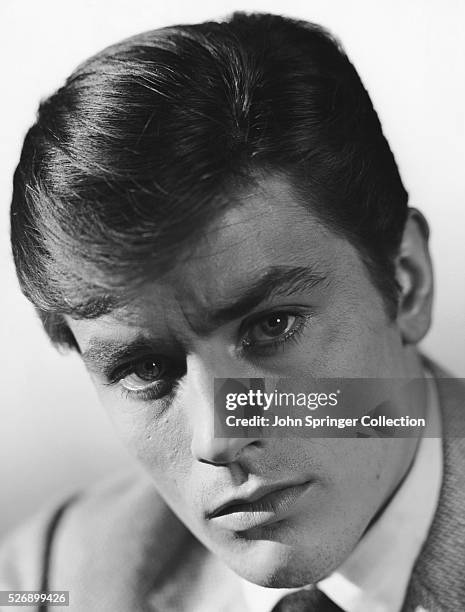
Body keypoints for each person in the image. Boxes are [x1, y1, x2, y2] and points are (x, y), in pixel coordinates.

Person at [1, 11, 464, 612]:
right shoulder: (53, 578)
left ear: (407, 280)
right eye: (145, 369)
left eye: (272, 327)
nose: (218, 437)